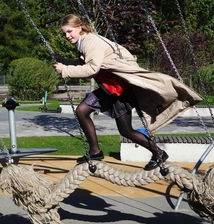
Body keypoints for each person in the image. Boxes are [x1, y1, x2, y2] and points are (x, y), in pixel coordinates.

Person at [54, 14, 202, 170]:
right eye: (64, 33)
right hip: (112, 89)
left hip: (119, 90)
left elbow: (92, 68)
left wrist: (65, 70)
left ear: (79, 27)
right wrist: (62, 60)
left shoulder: (90, 41)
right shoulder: (85, 41)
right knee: (99, 118)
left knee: (106, 121)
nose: (67, 36)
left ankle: (154, 153)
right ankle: (100, 151)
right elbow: (85, 62)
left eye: (69, 31)